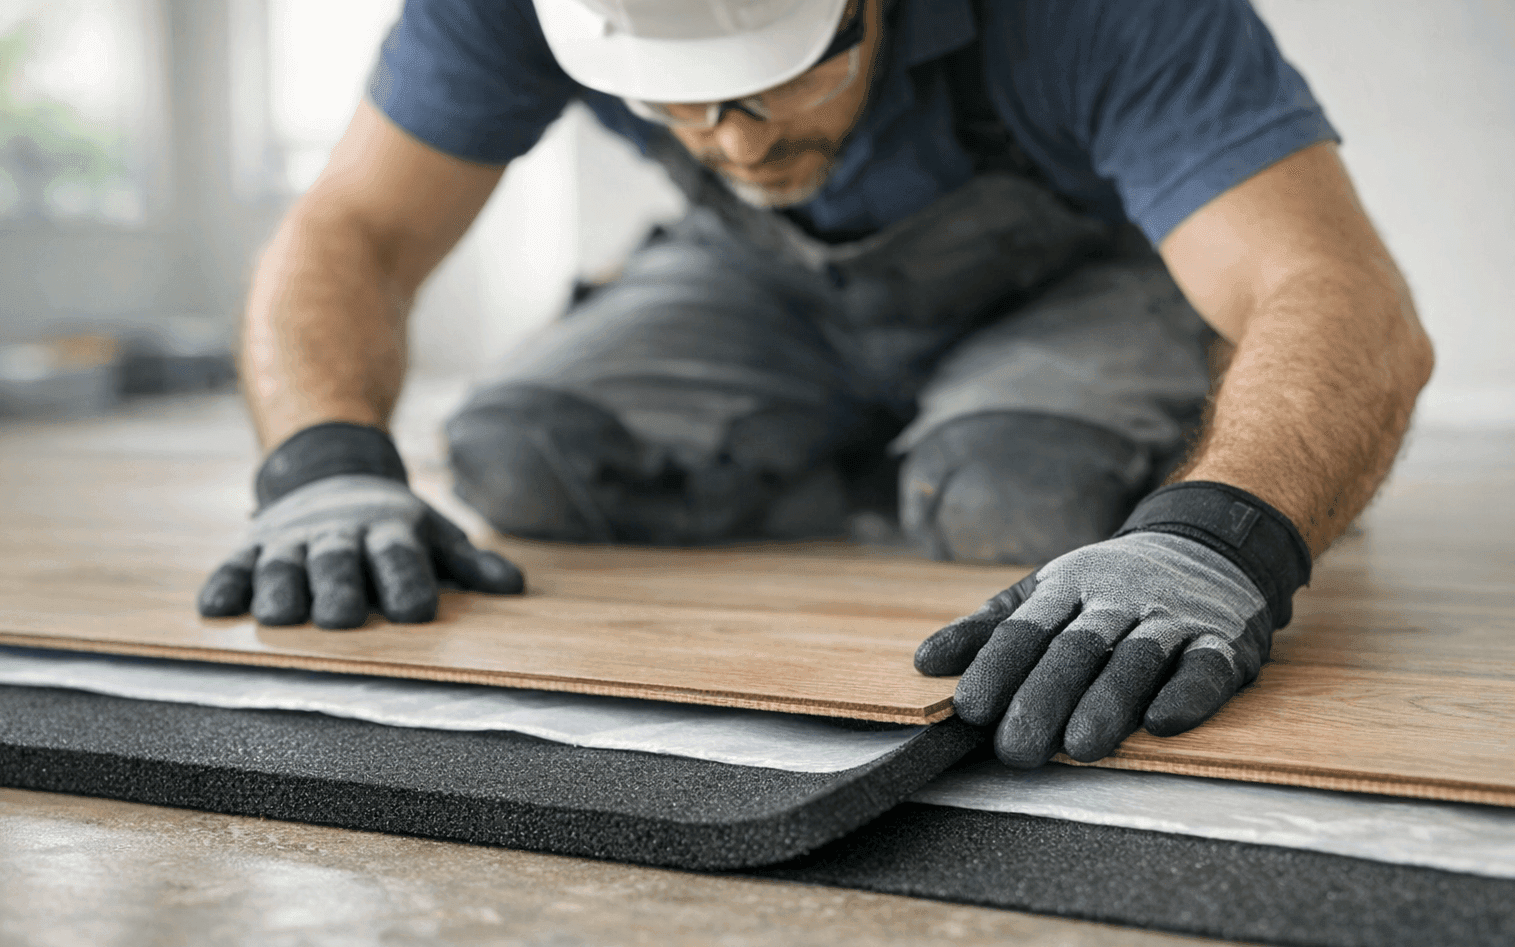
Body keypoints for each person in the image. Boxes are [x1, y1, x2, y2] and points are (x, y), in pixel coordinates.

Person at [197, 0, 1433, 769]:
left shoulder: (1104, 12)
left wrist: (1226, 534)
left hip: (1071, 278)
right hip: (760, 279)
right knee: (525, 453)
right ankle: (887, 439)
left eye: (777, 79)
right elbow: (351, 227)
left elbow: (1340, 292)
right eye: (679, 104)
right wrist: (317, 465)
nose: (732, 141)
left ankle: (967, 441)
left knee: (1012, 489)